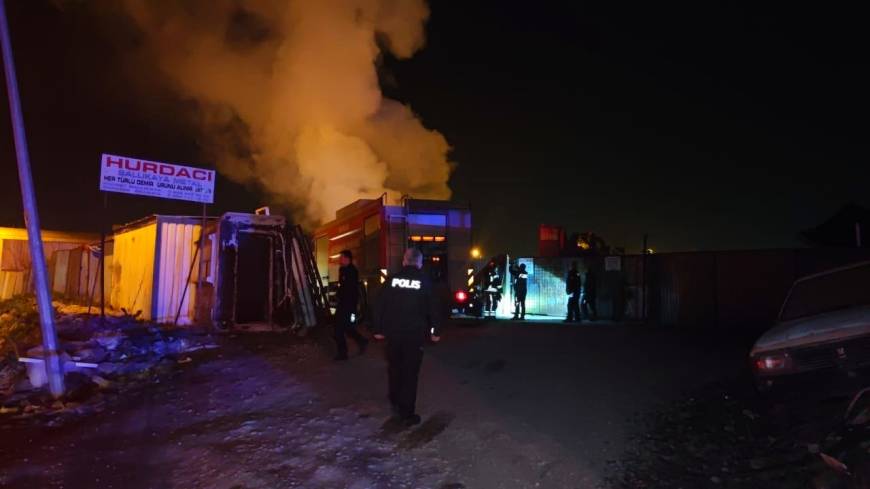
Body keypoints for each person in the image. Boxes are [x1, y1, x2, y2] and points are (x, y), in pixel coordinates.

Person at [373, 248, 441, 426]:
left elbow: (379, 305)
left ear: (404, 261)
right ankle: (407, 413)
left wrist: (378, 329)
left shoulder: (392, 280)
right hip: (414, 335)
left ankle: (396, 403)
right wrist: (435, 331)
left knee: (395, 369)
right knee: (410, 373)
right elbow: (433, 309)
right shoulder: (424, 282)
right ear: (419, 263)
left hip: (393, 334)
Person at [333, 250, 368, 361]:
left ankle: (343, 354)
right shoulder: (342, 270)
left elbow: (350, 290)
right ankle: (361, 341)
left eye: (341, 257)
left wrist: (352, 307)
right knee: (346, 328)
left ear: (347, 258)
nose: (340, 259)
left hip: (348, 305)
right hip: (343, 304)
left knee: (339, 329)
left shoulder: (352, 271)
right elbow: (342, 287)